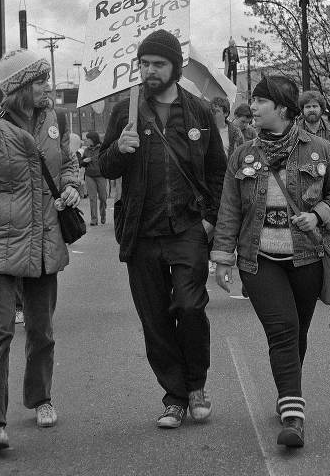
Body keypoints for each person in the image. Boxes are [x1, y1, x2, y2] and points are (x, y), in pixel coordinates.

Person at [212, 75, 330, 448]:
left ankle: (287, 392)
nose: (253, 107)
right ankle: (293, 415)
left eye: (260, 101)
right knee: (284, 331)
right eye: (253, 101)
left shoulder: (322, 150)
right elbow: (228, 209)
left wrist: (320, 214)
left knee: (298, 333)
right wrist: (222, 258)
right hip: (259, 260)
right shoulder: (242, 155)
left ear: (284, 109)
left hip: (307, 257)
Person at [0, 49, 81, 452]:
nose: (47, 86)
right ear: (19, 88)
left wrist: (74, 183)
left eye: (46, 78)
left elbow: (69, 165)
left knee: (42, 331)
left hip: (44, 243)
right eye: (40, 80)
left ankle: (41, 397)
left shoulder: (57, 122)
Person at [98, 29, 227, 430]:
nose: (149, 71)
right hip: (141, 229)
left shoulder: (199, 112)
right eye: (144, 64)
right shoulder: (125, 111)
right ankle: (173, 396)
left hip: (187, 227)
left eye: (158, 64)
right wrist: (119, 149)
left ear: (175, 67)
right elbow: (102, 167)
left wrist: (208, 219)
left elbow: (218, 174)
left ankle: (197, 386)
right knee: (154, 318)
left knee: (189, 308)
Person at [297, 90, 330, 159]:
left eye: (315, 106)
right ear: (302, 110)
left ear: (321, 109)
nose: (311, 110)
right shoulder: (293, 133)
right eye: (308, 107)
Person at [80, 131, 107, 225]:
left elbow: (107, 159)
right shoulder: (86, 150)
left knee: (103, 197)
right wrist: (84, 161)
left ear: (93, 139)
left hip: (101, 175)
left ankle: (103, 214)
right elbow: (80, 163)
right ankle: (94, 219)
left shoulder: (102, 148)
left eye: (87, 139)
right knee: (92, 198)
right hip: (89, 176)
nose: (86, 140)